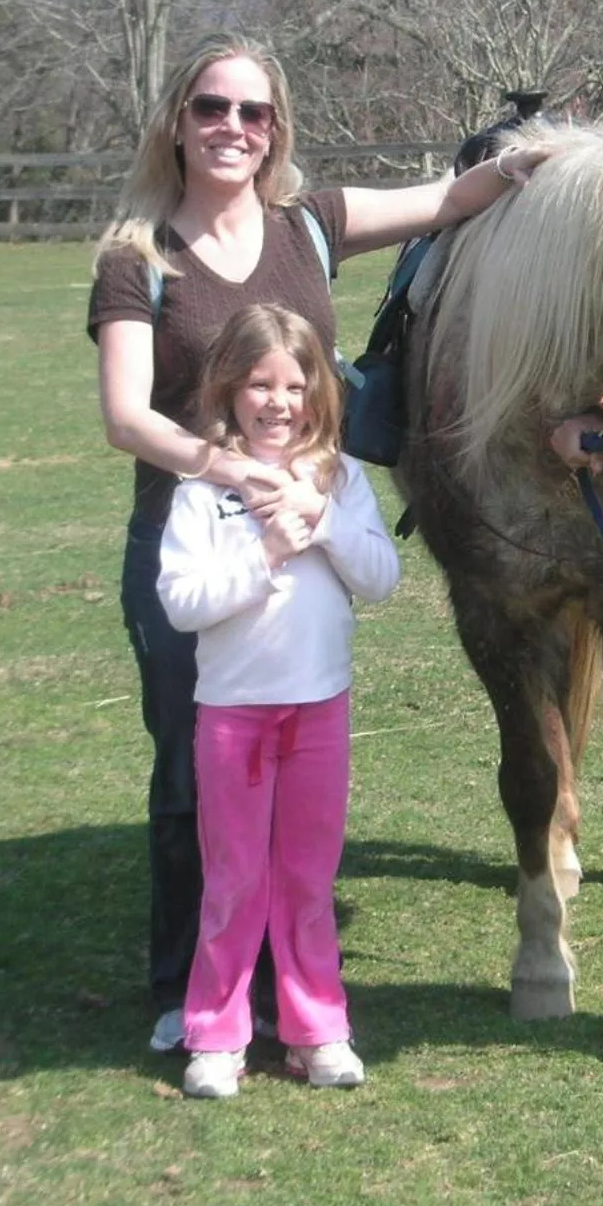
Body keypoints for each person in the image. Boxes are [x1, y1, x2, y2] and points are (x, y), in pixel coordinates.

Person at [88, 32, 540, 1055]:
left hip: (308, 550)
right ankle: (190, 988)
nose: (231, 129)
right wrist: (234, 474)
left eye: (253, 113)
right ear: (176, 118)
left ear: (276, 128)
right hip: (192, 536)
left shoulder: (312, 227)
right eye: (211, 107)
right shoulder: (138, 257)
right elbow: (125, 416)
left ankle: (287, 988)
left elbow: (446, 199)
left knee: (293, 780)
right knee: (190, 772)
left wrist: (525, 165)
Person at [156, 304, 401, 1096]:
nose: (277, 402)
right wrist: (265, 552)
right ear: (229, 391)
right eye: (259, 384)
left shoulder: (343, 480)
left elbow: (383, 578)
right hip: (233, 716)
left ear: (318, 393)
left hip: (318, 712)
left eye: (294, 385)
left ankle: (316, 1028)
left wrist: (321, 521)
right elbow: (182, 603)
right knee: (233, 881)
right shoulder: (203, 492)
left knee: (306, 878)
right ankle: (217, 1036)